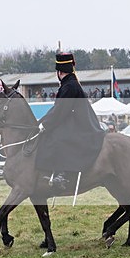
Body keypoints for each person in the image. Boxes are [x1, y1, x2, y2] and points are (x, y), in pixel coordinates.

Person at [35, 52, 105, 190]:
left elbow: (60, 111)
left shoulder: (69, 86)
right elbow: (57, 110)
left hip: (82, 126)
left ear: (59, 72)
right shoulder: (69, 84)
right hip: (75, 122)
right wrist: (40, 122)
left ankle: (62, 174)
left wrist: (45, 125)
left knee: (57, 138)